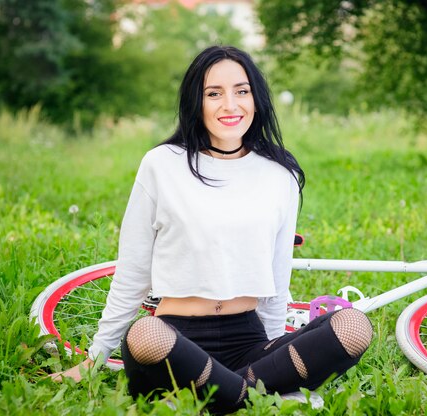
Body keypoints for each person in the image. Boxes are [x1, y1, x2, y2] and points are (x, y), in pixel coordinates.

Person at [51, 45, 373, 413]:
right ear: (196, 102)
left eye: (241, 91)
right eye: (213, 93)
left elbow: (275, 281)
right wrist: (96, 358)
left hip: (248, 343)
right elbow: (133, 272)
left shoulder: (278, 175)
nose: (230, 105)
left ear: (256, 98)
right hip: (174, 342)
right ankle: (255, 396)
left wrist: (274, 356)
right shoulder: (162, 164)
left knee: (354, 325)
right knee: (144, 334)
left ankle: (227, 395)